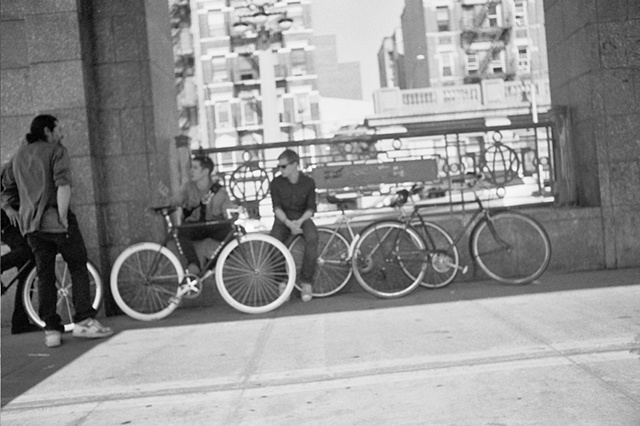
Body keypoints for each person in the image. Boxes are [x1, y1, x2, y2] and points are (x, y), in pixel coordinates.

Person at [1, 115, 113, 348]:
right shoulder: (56, 151)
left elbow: (6, 189)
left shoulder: (19, 155)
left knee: (45, 274)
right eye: (59, 128)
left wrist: (11, 209)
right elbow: (63, 185)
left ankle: (51, 330)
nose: (62, 133)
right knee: (78, 265)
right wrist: (62, 218)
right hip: (56, 221)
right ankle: (83, 320)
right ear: (47, 131)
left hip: (31, 226)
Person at [171, 155, 235, 276]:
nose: (191, 171)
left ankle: (211, 266)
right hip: (195, 226)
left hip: (213, 226)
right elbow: (175, 202)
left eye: (195, 168)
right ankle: (193, 264)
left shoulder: (219, 191)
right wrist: (171, 195)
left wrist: (233, 212)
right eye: (191, 168)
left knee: (236, 234)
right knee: (181, 231)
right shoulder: (188, 188)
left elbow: (228, 210)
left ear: (205, 171)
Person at [269, 149, 318, 302]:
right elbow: (276, 208)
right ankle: (282, 282)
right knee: (274, 244)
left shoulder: (308, 182)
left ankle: (306, 282)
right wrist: (289, 223)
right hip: (283, 219)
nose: (280, 170)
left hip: (302, 217)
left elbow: (311, 208)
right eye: (279, 166)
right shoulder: (276, 183)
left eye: (283, 166)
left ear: (294, 165)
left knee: (312, 238)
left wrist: (300, 221)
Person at [1, 162, 39, 334]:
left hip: (12, 221)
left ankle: (20, 321)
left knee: (27, 265)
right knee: (28, 252)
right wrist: (7, 207)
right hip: (5, 220)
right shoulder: (14, 165)